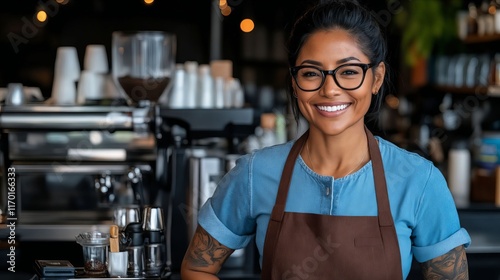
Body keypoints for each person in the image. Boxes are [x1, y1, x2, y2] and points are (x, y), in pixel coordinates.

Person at [181, 0, 471, 279]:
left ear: (377, 78)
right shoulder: (255, 174)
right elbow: (196, 268)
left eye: (348, 72)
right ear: (295, 84)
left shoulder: (419, 181)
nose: (330, 89)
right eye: (311, 73)